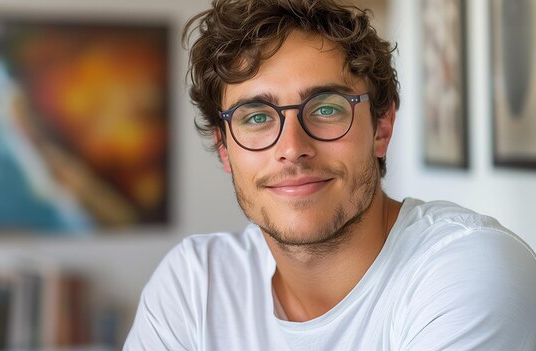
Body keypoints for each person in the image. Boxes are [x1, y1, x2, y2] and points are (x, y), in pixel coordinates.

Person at [124, 0, 536, 349]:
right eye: (256, 117)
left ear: (381, 127)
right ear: (224, 147)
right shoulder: (194, 285)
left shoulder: (467, 271)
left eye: (325, 108)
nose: (291, 149)